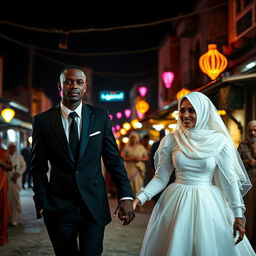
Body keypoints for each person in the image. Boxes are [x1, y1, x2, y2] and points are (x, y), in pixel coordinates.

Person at [133, 91, 256, 256]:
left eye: (191, 110)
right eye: (182, 110)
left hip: (209, 204)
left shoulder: (220, 141)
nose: (185, 115)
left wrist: (238, 215)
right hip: (176, 202)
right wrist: (139, 198)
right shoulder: (170, 140)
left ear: (203, 111)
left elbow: (230, 180)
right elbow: (161, 178)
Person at [30, 65, 135, 256]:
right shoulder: (42, 122)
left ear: (85, 87)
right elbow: (37, 168)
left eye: (79, 82)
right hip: (58, 208)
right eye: (68, 81)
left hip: (93, 206)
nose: (74, 86)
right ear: (60, 86)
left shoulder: (100, 116)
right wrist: (42, 203)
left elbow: (113, 160)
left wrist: (126, 195)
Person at [238, 120, 256, 248]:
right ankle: (249, 239)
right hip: (249, 182)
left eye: (255, 130)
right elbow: (236, 164)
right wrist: (247, 162)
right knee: (249, 211)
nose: (253, 133)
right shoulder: (242, 145)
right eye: (250, 130)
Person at [7, 142, 26, 226]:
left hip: (15, 182)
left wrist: (18, 173)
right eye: (10, 147)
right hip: (7, 181)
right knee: (7, 201)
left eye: (13, 147)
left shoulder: (19, 157)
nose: (12, 149)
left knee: (15, 201)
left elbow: (24, 166)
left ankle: (15, 219)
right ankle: (8, 219)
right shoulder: (5, 156)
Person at [0, 136, 12, 246]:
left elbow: (10, 166)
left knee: (3, 211)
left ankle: (2, 237)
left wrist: (2, 163)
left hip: (2, 184)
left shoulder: (4, 152)